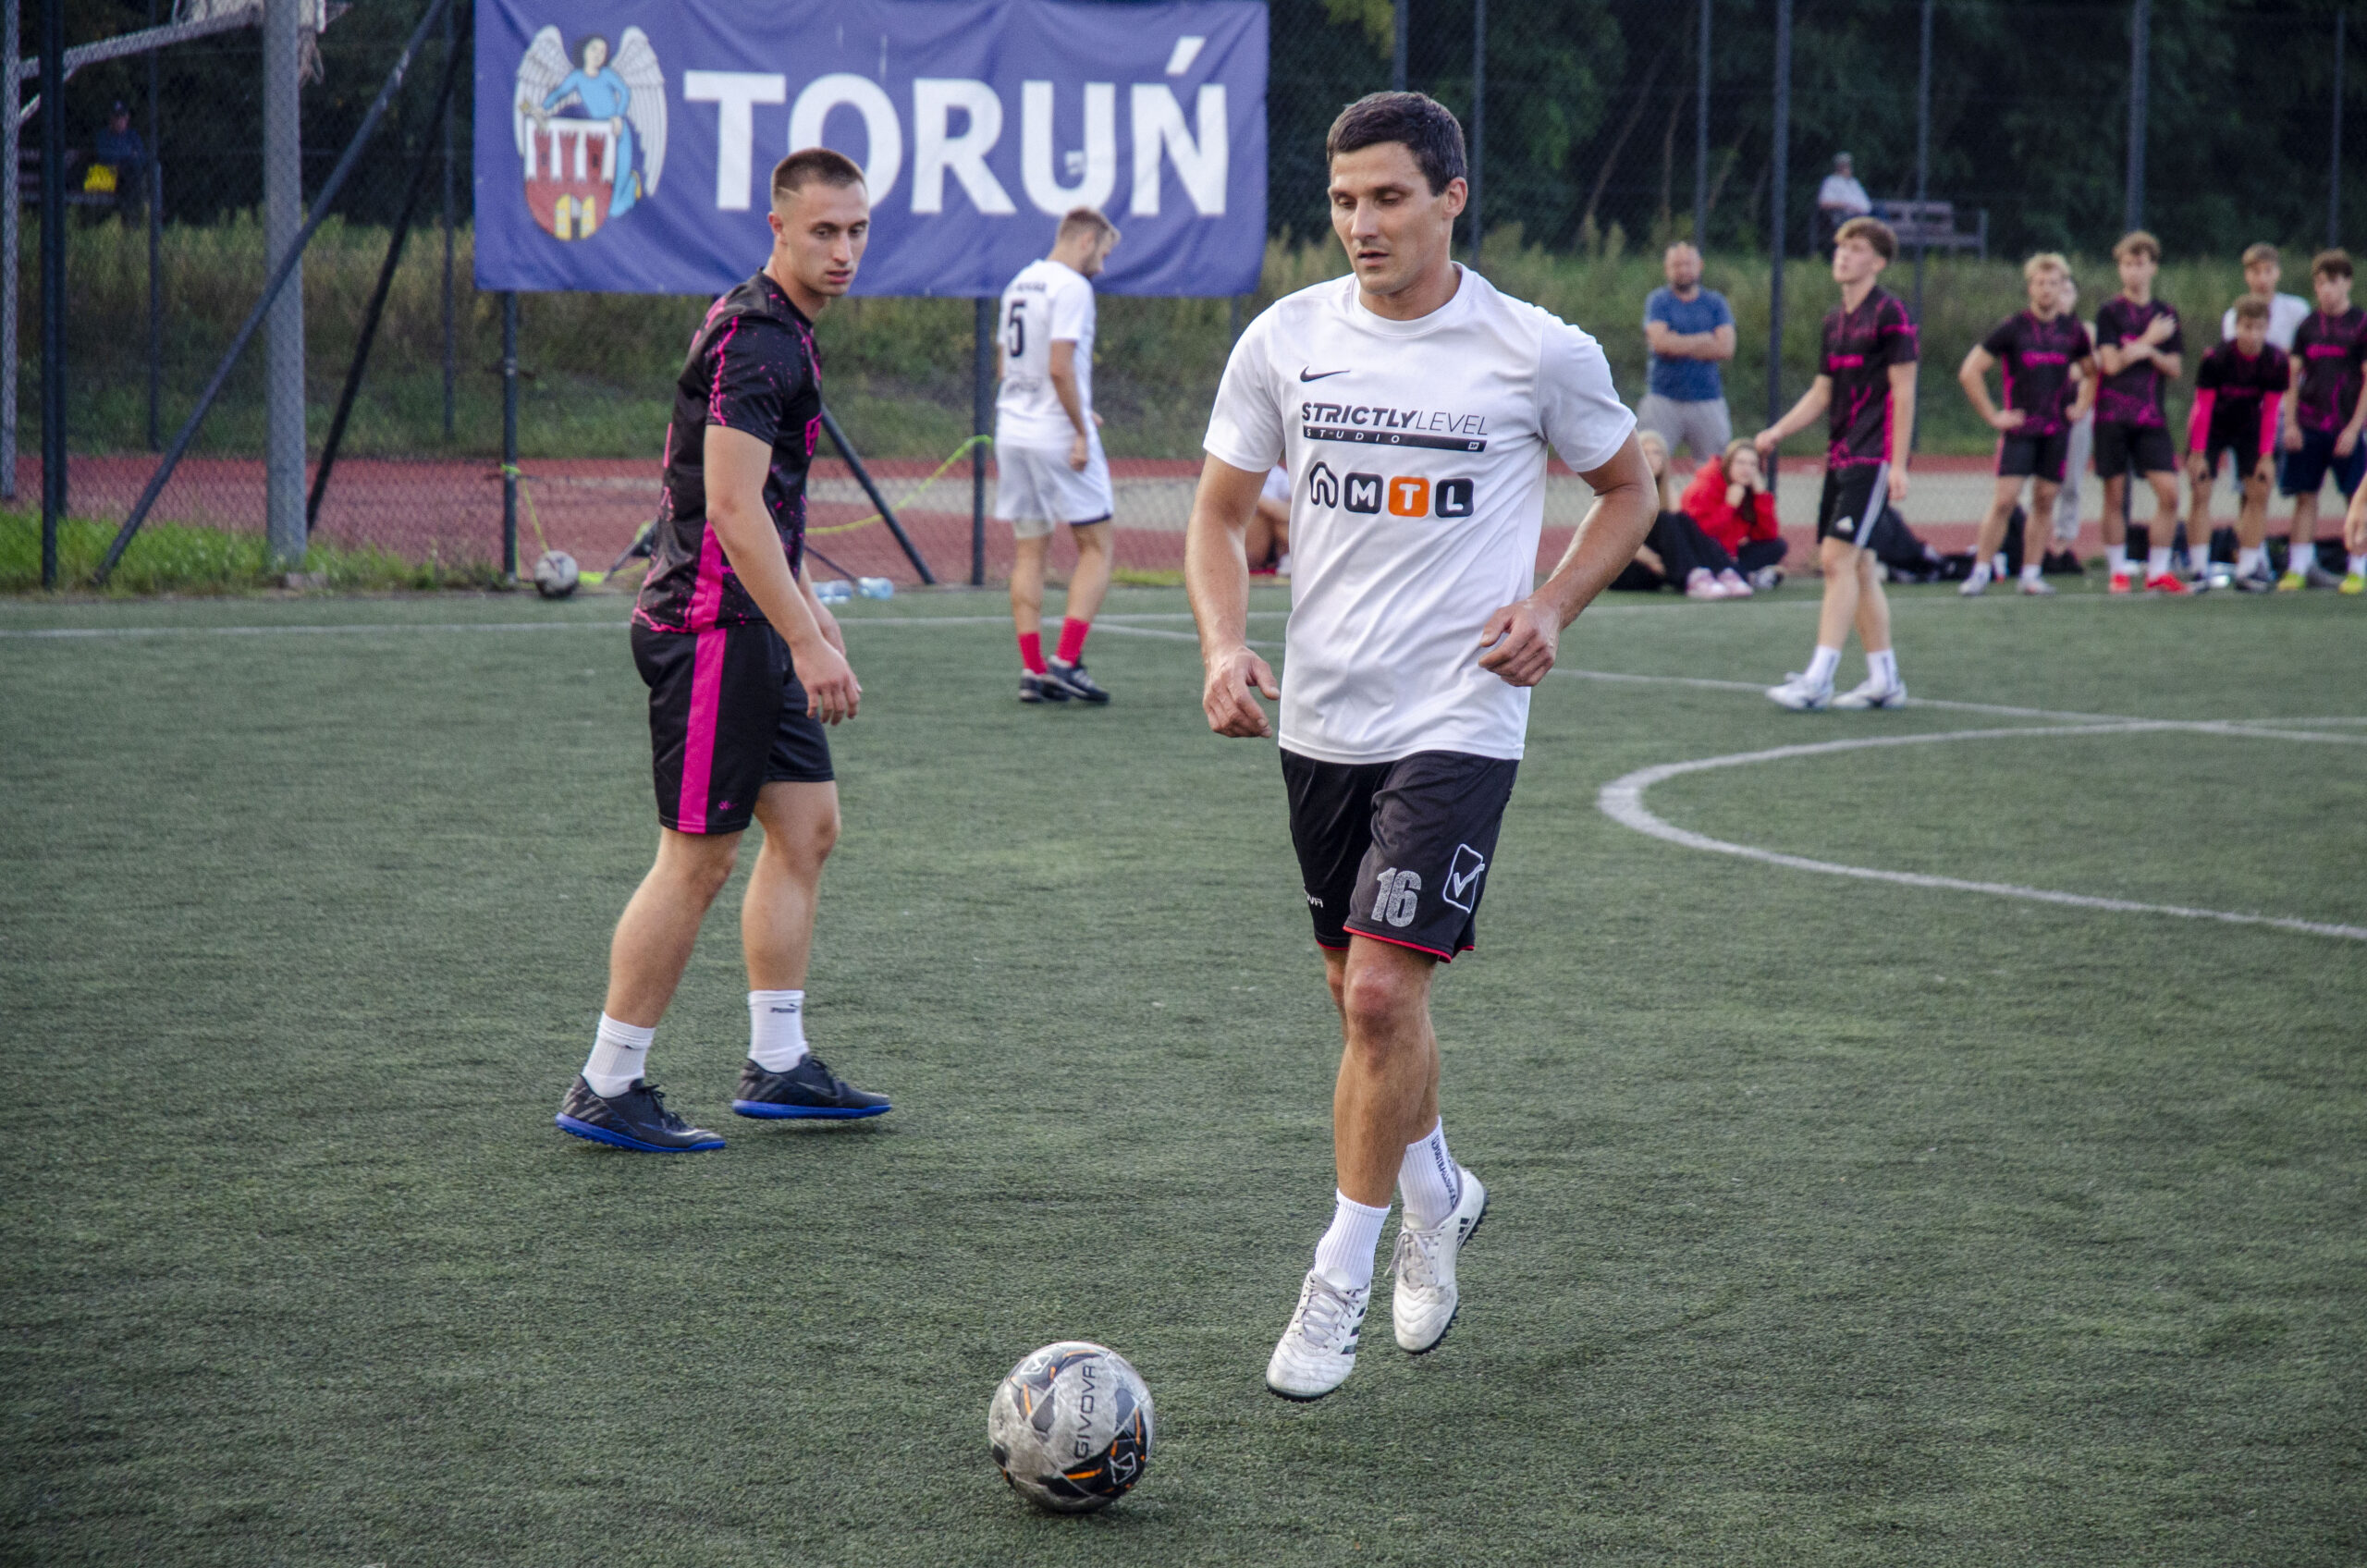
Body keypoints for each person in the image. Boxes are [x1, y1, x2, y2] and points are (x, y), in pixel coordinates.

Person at [1184, 91, 1650, 1403]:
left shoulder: (1534, 349)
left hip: (1461, 714)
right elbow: (1215, 517)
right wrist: (1222, 646)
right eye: (1343, 201)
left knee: (1384, 996)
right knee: (1356, 995)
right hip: (1323, 716)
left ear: (1451, 197)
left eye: (1388, 197)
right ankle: (1437, 1186)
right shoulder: (1286, 340)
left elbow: (1630, 489)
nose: (1362, 223)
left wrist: (1551, 606)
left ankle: (1336, 1279)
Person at [555, 149, 889, 1155]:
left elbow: (765, 512)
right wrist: (805, 637)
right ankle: (608, 1081)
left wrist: (809, 614)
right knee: (696, 859)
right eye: (823, 231)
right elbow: (735, 511)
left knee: (808, 828)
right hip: (710, 631)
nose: (842, 249)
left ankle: (777, 1061)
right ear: (777, 228)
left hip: (754, 626)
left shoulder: (784, 329)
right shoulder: (758, 340)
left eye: (856, 230)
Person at [1755, 216, 1918, 711]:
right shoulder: (1834, 321)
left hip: (1872, 456)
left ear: (1879, 261)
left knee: (1835, 560)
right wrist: (1779, 430)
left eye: (1857, 247)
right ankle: (1884, 680)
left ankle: (1819, 680)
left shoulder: (1890, 313)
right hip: (1841, 455)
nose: (1843, 254)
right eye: (1841, 246)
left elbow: (1904, 392)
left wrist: (1898, 463)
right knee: (1860, 565)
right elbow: (1823, 392)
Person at [996, 207, 1123, 702]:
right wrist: (1080, 429)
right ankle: (1066, 661)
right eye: (1103, 253)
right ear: (1086, 239)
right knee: (1097, 546)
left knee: (1030, 550)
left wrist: (1074, 409)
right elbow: (1059, 366)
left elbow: (1007, 366)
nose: (1101, 267)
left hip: (1013, 429)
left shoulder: (1019, 283)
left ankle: (1032, 671)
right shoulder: (1072, 287)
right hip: (1056, 434)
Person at [1956, 252, 2095, 596]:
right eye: (2040, 283)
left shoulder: (2073, 331)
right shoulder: (2013, 327)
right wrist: (1993, 415)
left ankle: (2031, 575)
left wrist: (2082, 405)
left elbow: (2092, 372)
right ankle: (1981, 571)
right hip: (2020, 430)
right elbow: (1970, 371)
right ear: (2030, 287)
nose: (2046, 289)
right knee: (2005, 500)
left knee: (2045, 500)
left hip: (2057, 430)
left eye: (2053, 283)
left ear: (2063, 288)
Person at [2091, 231, 2187, 594]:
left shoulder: (2166, 314)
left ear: (2153, 268)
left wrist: (2147, 352)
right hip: (2112, 417)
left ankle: (2157, 570)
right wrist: (2147, 340)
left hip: (2150, 418)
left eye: (2140, 264)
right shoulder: (2109, 313)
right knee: (2115, 496)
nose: (2134, 271)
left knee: (2170, 493)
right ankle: (2118, 571)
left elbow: (2174, 367)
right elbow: (2112, 364)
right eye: (2127, 264)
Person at [2276, 249, 2367, 591]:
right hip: (2310, 424)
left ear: (2347, 282)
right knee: (2305, 495)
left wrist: (2355, 428)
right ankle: (2298, 567)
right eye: (2320, 283)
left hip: (2346, 425)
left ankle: (2357, 568)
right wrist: (2291, 423)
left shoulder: (2360, 325)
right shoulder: (2308, 326)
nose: (2325, 289)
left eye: (2332, 282)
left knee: (2356, 496)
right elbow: (2293, 377)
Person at [2186, 297, 2287, 592]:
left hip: (2248, 428)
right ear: (2236, 326)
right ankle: (2198, 570)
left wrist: (2266, 456)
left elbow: (2270, 411)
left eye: (2259, 328)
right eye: (2246, 327)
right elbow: (2203, 406)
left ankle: (2247, 570)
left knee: (2258, 493)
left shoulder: (2275, 361)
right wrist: (2198, 453)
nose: (2252, 335)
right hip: (2213, 428)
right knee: (2201, 491)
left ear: (2267, 328)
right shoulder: (2216, 358)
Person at [1612, 431, 1754, 597]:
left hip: (1658, 566)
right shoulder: (1623, 490)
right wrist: (1655, 561)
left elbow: (1681, 531)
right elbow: (1619, 544)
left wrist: (1664, 484)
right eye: (1645, 453)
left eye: (1657, 453)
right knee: (1665, 519)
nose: (1651, 458)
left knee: (1682, 519)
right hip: (1628, 569)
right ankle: (1698, 576)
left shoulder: (1665, 490)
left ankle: (1723, 572)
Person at [1638, 242, 1736, 462]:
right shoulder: (1658, 301)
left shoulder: (1715, 303)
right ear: (1667, 269)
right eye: (1676, 265)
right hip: (1662, 397)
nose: (1683, 270)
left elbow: (1725, 348)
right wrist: (1705, 339)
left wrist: (1676, 342)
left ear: (1699, 266)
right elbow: (1661, 344)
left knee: (1716, 467)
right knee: (1647, 463)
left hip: (1707, 398)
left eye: (1688, 264)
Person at [1680, 438, 1787, 589]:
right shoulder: (1706, 485)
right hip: (1704, 553)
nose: (1747, 469)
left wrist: (1761, 495)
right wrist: (1729, 506)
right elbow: (1703, 533)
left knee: (1777, 546)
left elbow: (1767, 534)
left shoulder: (1748, 491)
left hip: (1731, 552)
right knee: (1728, 566)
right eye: (1741, 463)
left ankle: (1741, 575)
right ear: (1728, 463)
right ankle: (1748, 577)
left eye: (1752, 464)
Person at [2049, 270, 2095, 569]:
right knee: (2042, 480)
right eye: (2058, 289)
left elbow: (2087, 370)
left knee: (2071, 480)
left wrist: (2080, 405)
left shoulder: (2084, 330)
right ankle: (2034, 538)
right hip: (2044, 410)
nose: (2061, 297)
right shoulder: (2038, 329)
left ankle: (2063, 538)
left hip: (2075, 411)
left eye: (2068, 291)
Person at [2220, 242, 2312, 351]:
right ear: (2246, 275)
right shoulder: (2233, 316)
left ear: (2278, 273)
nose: (2262, 279)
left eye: (2268, 271)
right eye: (2256, 271)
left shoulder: (2298, 309)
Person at [93, 102, 146, 224]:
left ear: (127, 118)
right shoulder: (103, 136)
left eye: (122, 117)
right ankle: (128, 218)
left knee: (133, 172)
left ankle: (128, 216)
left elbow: (142, 157)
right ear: (110, 118)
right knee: (131, 173)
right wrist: (128, 154)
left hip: (125, 176)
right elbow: (104, 156)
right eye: (116, 117)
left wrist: (122, 158)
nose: (119, 121)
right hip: (104, 176)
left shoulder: (132, 136)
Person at [1816, 153, 1872, 253]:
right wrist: (1846, 205)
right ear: (1838, 166)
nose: (1847, 168)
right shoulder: (1831, 182)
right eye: (1844, 165)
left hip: (1863, 213)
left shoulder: (1853, 182)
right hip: (1843, 215)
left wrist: (1862, 209)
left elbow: (1865, 202)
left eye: (1848, 165)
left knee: (1881, 212)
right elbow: (1823, 203)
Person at [1246, 463, 1293, 575]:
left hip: (1275, 539)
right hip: (1248, 542)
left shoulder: (1276, 473)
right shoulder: (1234, 471)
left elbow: (1294, 509)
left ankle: (1292, 557)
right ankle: (1295, 556)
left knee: (1279, 520)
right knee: (1265, 516)